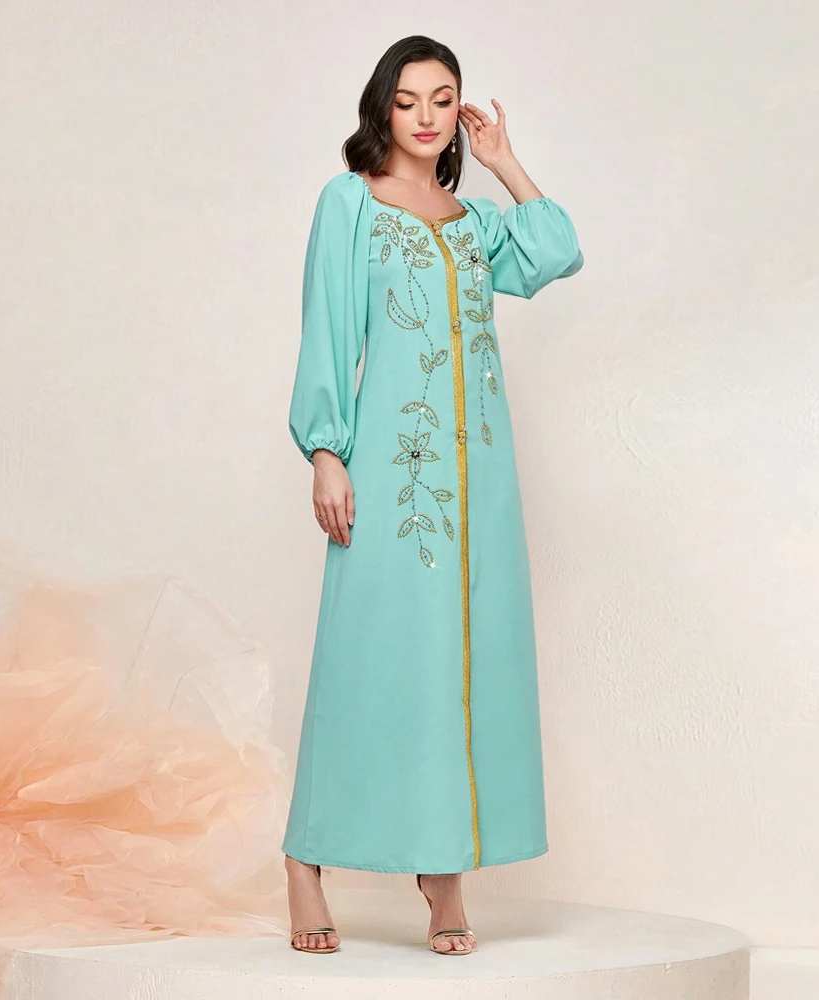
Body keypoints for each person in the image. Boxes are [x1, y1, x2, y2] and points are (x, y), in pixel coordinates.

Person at [283, 34, 584, 956]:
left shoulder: (473, 221)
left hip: (480, 482)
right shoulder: (350, 204)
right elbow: (328, 328)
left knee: (462, 665)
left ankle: (443, 873)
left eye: (443, 99)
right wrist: (327, 451)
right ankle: (305, 859)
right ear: (384, 106)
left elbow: (558, 251)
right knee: (367, 660)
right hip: (391, 471)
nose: (425, 116)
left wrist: (505, 163)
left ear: (460, 112)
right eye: (409, 99)